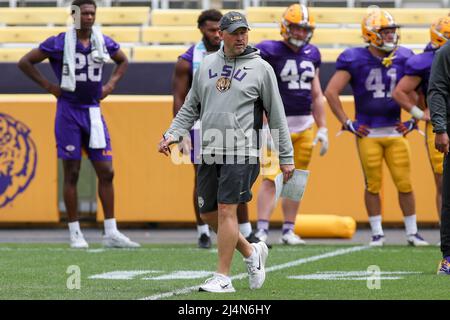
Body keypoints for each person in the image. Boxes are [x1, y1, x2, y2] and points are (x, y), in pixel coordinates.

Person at [158, 12, 294, 292]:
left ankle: (222, 277)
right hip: (209, 149)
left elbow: (277, 114)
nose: (241, 36)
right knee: (207, 213)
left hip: (242, 150)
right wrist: (172, 133)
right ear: (221, 35)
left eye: (244, 31)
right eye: (234, 32)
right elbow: (190, 106)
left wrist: (286, 157)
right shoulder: (206, 64)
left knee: (225, 211)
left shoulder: (262, 68)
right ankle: (251, 252)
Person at [18, 0, 139, 249]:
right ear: (73, 15)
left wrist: (111, 85)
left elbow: (122, 61)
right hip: (69, 111)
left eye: (92, 13)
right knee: (71, 172)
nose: (89, 17)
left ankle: (111, 231)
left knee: (107, 171)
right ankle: (75, 232)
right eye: (84, 13)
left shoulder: (102, 40)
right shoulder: (58, 42)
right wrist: (49, 87)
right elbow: (25, 61)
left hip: (93, 110)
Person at [324, 9, 429, 247]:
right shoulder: (353, 58)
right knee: (372, 184)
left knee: (405, 183)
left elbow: (420, 91)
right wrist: (347, 122)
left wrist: (415, 120)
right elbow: (331, 92)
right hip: (368, 132)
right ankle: (377, 233)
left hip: (395, 130)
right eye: (385, 32)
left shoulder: (405, 56)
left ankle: (412, 232)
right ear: (370, 35)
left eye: (392, 31)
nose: (391, 36)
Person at [172, 9, 257, 249]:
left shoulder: (241, 56)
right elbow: (181, 99)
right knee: (201, 180)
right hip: (202, 126)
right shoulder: (188, 59)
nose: (215, 35)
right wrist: (182, 134)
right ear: (202, 29)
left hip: (234, 125)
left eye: (216, 29)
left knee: (237, 179)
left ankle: (247, 232)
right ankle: (203, 231)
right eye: (210, 30)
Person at [253, 4, 328, 246]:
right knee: (269, 177)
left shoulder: (313, 53)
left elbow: (317, 94)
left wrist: (323, 127)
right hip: (276, 125)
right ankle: (262, 229)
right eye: (296, 28)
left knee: (296, 179)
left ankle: (288, 230)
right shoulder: (269, 50)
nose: (300, 33)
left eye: (304, 29)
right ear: (285, 27)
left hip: (305, 125)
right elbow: (259, 90)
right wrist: (263, 124)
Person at [393, 17, 450, 246]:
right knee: (442, 182)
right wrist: (420, 114)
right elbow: (402, 91)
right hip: (442, 123)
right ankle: (443, 232)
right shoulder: (429, 59)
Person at [427, 23, 450, 275]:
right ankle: (449, 256)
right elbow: (437, 91)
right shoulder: (445, 53)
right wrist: (440, 128)